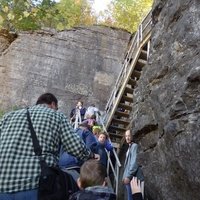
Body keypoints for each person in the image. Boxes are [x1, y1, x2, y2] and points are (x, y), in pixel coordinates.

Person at [0, 93, 98, 200]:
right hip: (35, 184)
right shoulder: (56, 115)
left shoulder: (8, 116)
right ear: (52, 104)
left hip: (3, 185)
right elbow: (75, 146)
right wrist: (91, 156)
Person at [122, 130, 144, 200]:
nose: (127, 138)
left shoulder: (134, 146)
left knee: (132, 198)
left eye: (129, 136)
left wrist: (128, 176)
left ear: (132, 136)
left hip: (133, 178)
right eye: (126, 136)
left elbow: (134, 162)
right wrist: (124, 177)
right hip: (130, 178)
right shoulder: (129, 148)